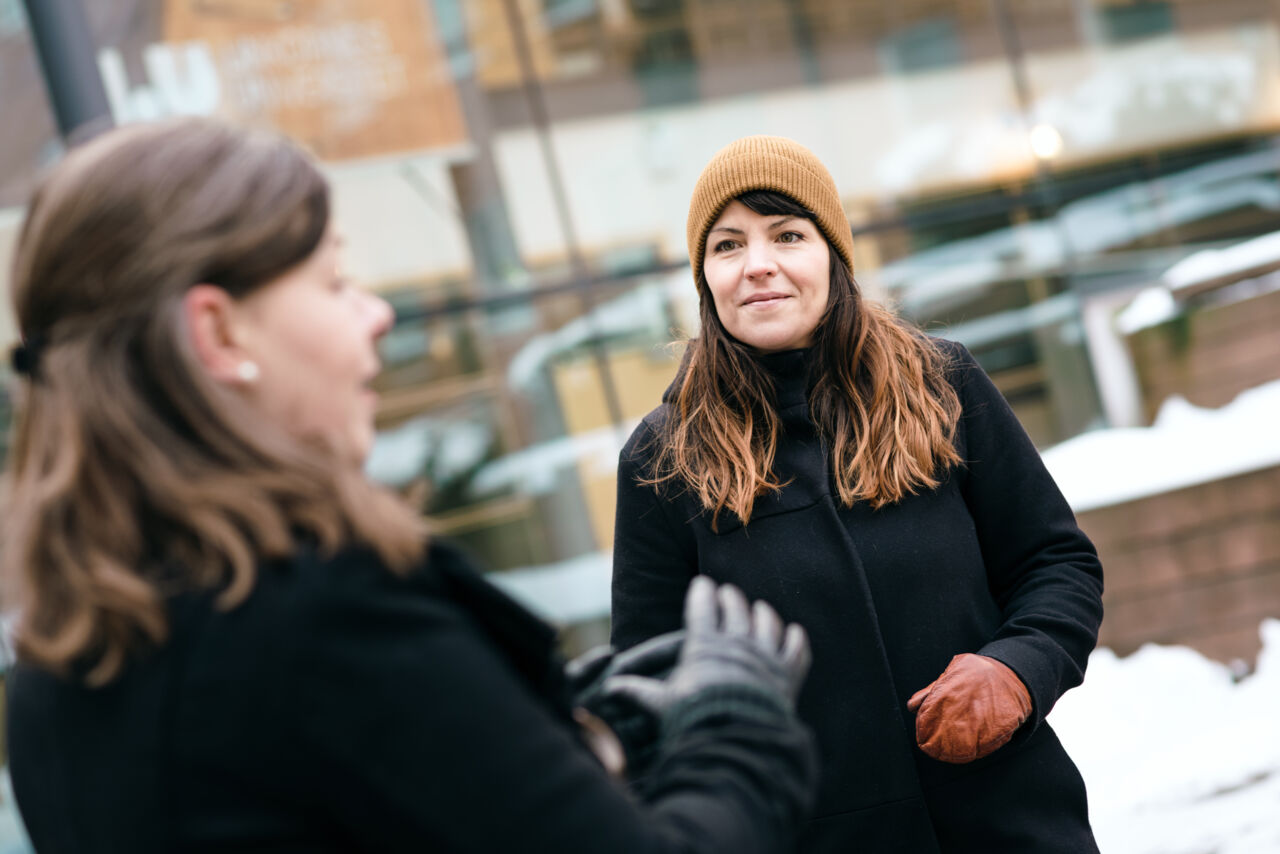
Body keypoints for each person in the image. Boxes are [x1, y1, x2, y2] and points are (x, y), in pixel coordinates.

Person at [0, 118, 819, 853]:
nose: (378, 314)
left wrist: (575, 739)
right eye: (334, 283)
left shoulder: (55, 661)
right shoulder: (329, 623)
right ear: (216, 331)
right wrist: (735, 729)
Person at [611, 135, 1106, 853]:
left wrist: (1019, 670)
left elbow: (1057, 565)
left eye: (787, 235)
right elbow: (652, 689)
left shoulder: (943, 386)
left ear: (833, 256)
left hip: (1018, 824)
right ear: (704, 279)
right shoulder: (663, 460)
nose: (758, 266)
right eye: (727, 246)